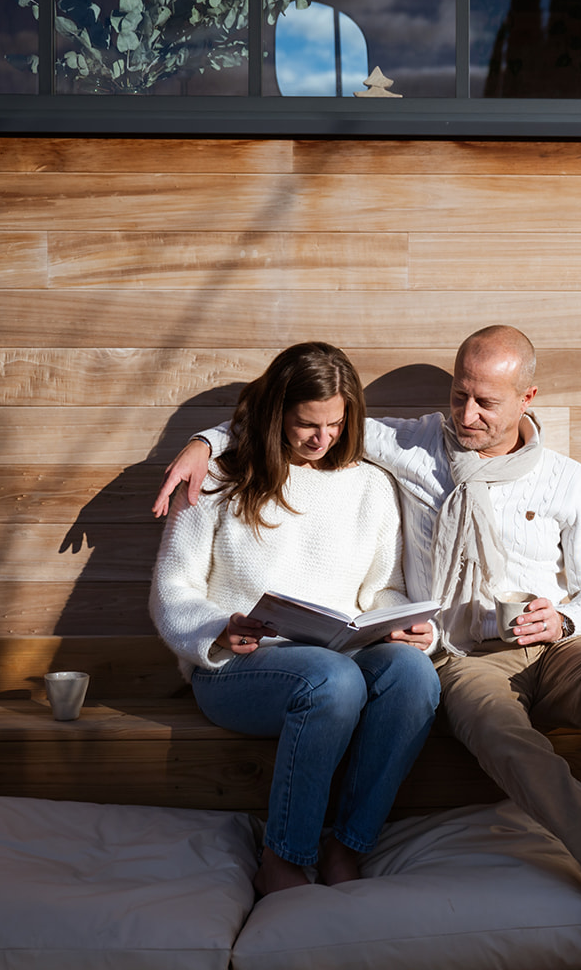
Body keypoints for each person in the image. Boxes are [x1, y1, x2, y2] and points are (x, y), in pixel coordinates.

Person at [155, 326, 581, 970]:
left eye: (485, 402)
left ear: (527, 398)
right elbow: (284, 423)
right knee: (426, 702)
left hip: (552, 648)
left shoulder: (563, 479)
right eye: (459, 395)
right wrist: (205, 440)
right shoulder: (409, 446)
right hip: (457, 657)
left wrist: (563, 617)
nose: (466, 415)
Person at [149, 342, 440, 899]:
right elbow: (172, 589)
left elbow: (383, 588)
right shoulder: (218, 476)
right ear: (277, 411)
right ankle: (283, 856)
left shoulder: (371, 485)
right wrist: (217, 628)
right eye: (307, 423)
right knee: (333, 680)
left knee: (413, 675)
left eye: (336, 424)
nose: (321, 438)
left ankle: (347, 845)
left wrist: (400, 624)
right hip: (238, 666)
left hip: (338, 657)